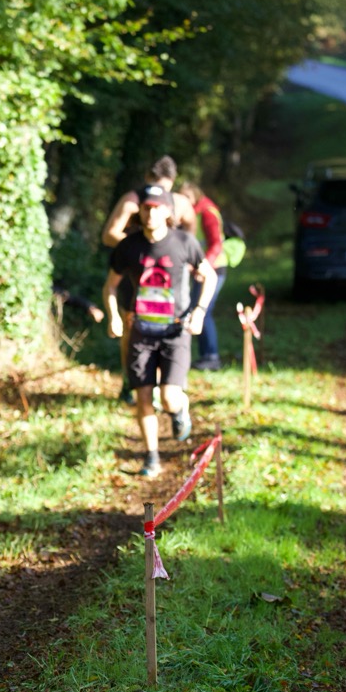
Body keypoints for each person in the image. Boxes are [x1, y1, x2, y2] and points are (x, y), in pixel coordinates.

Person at [103, 185, 217, 478]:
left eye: (157, 208)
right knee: (143, 397)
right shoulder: (128, 246)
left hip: (175, 332)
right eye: (146, 208)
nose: (151, 213)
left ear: (168, 211)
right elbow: (110, 287)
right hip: (140, 332)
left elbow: (210, 276)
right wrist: (114, 317)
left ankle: (179, 409)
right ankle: (151, 457)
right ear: (140, 212)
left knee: (168, 397)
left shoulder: (184, 242)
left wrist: (199, 312)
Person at [101, 156, 199, 403]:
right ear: (146, 180)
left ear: (173, 182)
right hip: (138, 273)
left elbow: (191, 231)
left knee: (173, 323)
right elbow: (109, 235)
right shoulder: (132, 200)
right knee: (132, 328)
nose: (158, 193)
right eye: (153, 186)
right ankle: (133, 380)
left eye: (164, 187)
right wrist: (139, 246)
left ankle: (169, 382)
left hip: (171, 277)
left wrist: (181, 254)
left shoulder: (181, 202)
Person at [178, 182, 228, 370]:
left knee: (203, 310)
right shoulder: (192, 213)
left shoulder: (206, 213)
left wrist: (204, 266)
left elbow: (216, 244)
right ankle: (204, 356)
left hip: (213, 269)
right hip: (201, 269)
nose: (184, 201)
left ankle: (211, 357)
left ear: (196, 196)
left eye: (187, 197)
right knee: (196, 309)